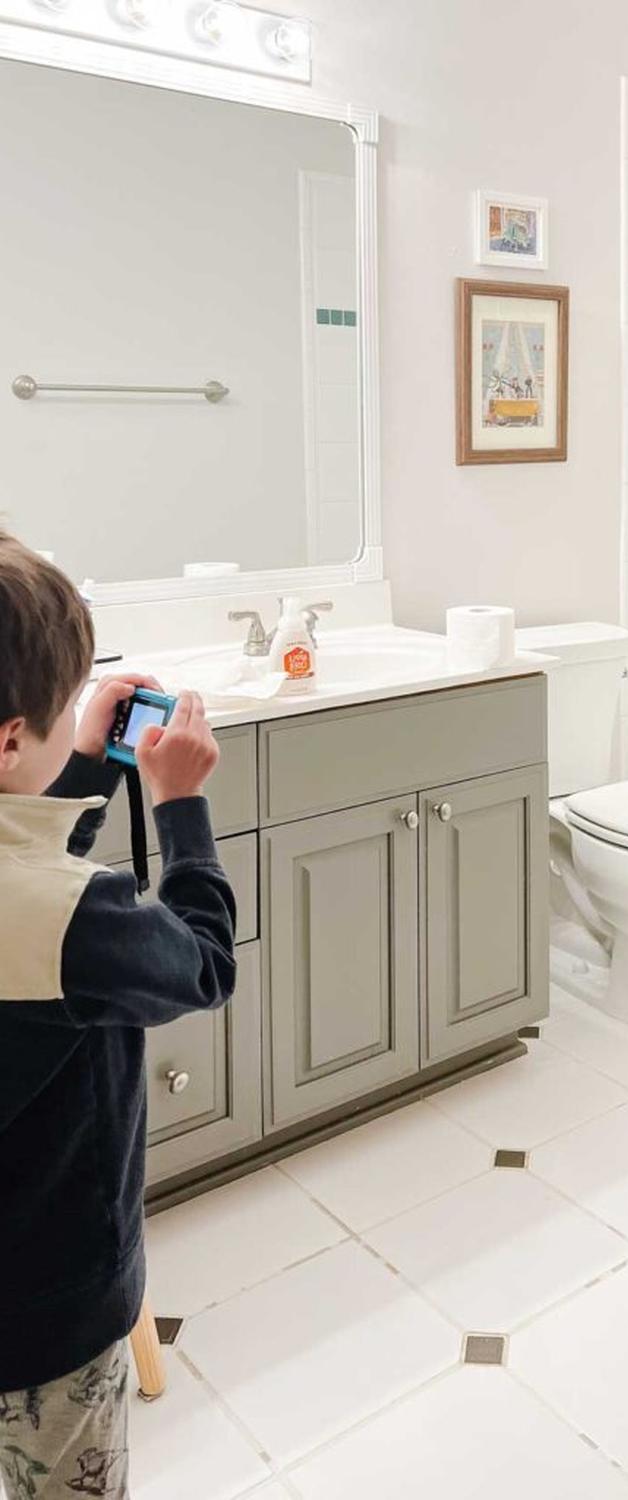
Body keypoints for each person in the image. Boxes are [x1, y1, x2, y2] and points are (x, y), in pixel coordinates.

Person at [0, 531, 236, 1498]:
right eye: (63, 706)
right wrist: (179, 806)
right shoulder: (77, 919)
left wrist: (86, 762)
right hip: (47, 1308)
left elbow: (20, 854)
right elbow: (203, 966)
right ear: (11, 739)